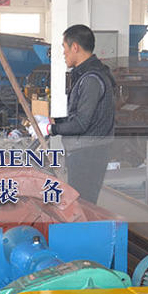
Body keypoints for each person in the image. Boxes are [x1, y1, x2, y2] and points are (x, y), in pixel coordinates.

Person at [49, 24, 115, 204]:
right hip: (85, 151)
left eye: (64, 47)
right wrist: (55, 121)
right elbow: (82, 116)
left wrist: (51, 129)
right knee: (81, 202)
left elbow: (81, 123)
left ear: (75, 47)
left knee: (83, 203)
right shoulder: (85, 75)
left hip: (88, 153)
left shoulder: (91, 79)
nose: (64, 53)